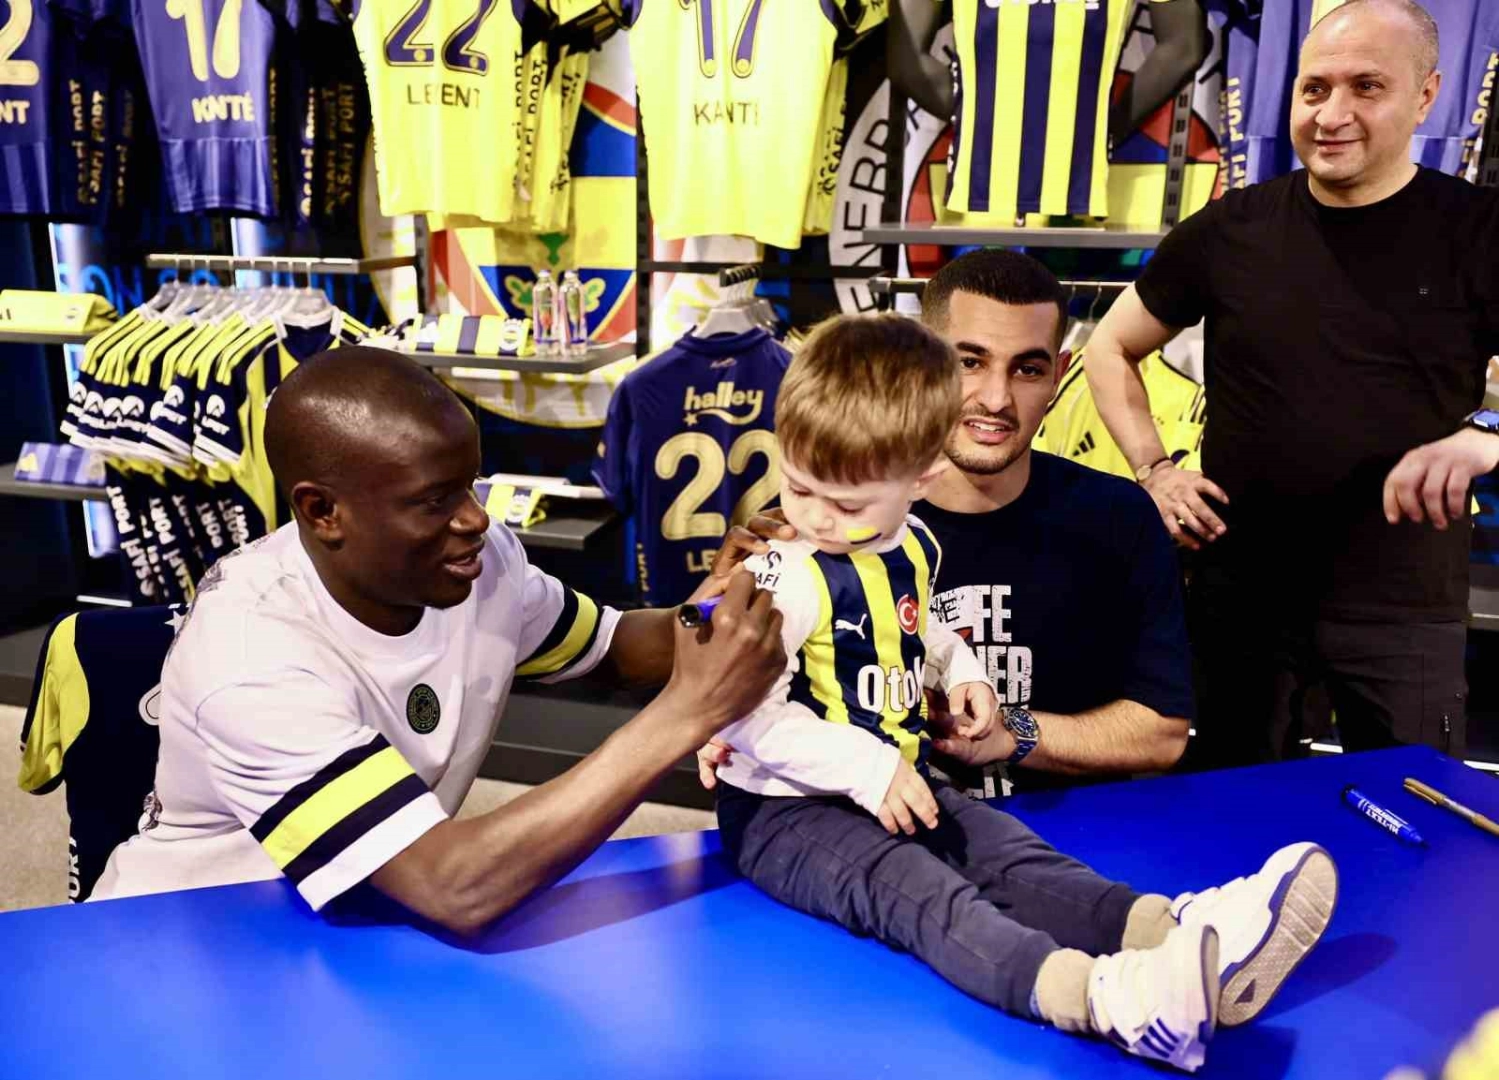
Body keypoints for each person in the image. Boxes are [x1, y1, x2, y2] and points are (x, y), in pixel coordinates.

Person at [709, 314, 1338, 1074]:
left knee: (1007, 852)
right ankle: (1098, 998)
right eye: (799, 487)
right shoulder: (784, 575)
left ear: (919, 479)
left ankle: (1175, 932)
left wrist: (963, 673)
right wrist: (866, 767)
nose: (815, 518)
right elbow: (738, 716)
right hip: (786, 811)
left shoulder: (908, 542)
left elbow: (921, 625)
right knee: (921, 895)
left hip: (894, 778)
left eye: (848, 506)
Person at [91, 347, 786, 933]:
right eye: (435, 500)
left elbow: (611, 646)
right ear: (322, 511)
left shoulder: (478, 564)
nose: (475, 519)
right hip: (197, 936)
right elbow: (454, 887)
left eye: (471, 486)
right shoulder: (250, 658)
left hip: (364, 918)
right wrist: (685, 714)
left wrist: (712, 607)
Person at [1084, 0, 1499, 768]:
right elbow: (1108, 347)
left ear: (1425, 96)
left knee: (1415, 818)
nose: (1330, 115)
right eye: (1313, 89)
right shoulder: (1228, 229)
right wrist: (1154, 470)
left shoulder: (1479, 230)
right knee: (1230, 815)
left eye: (1365, 87)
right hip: (1241, 599)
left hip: (1403, 609)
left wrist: (1483, 437)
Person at [704, 250, 1195, 796]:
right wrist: (719, 710)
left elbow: (1162, 734)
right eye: (970, 362)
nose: (996, 399)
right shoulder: (821, 515)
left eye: (1028, 369)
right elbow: (731, 697)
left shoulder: (1119, 517)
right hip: (864, 830)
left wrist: (1013, 733)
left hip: (1069, 833)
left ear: (1058, 375)